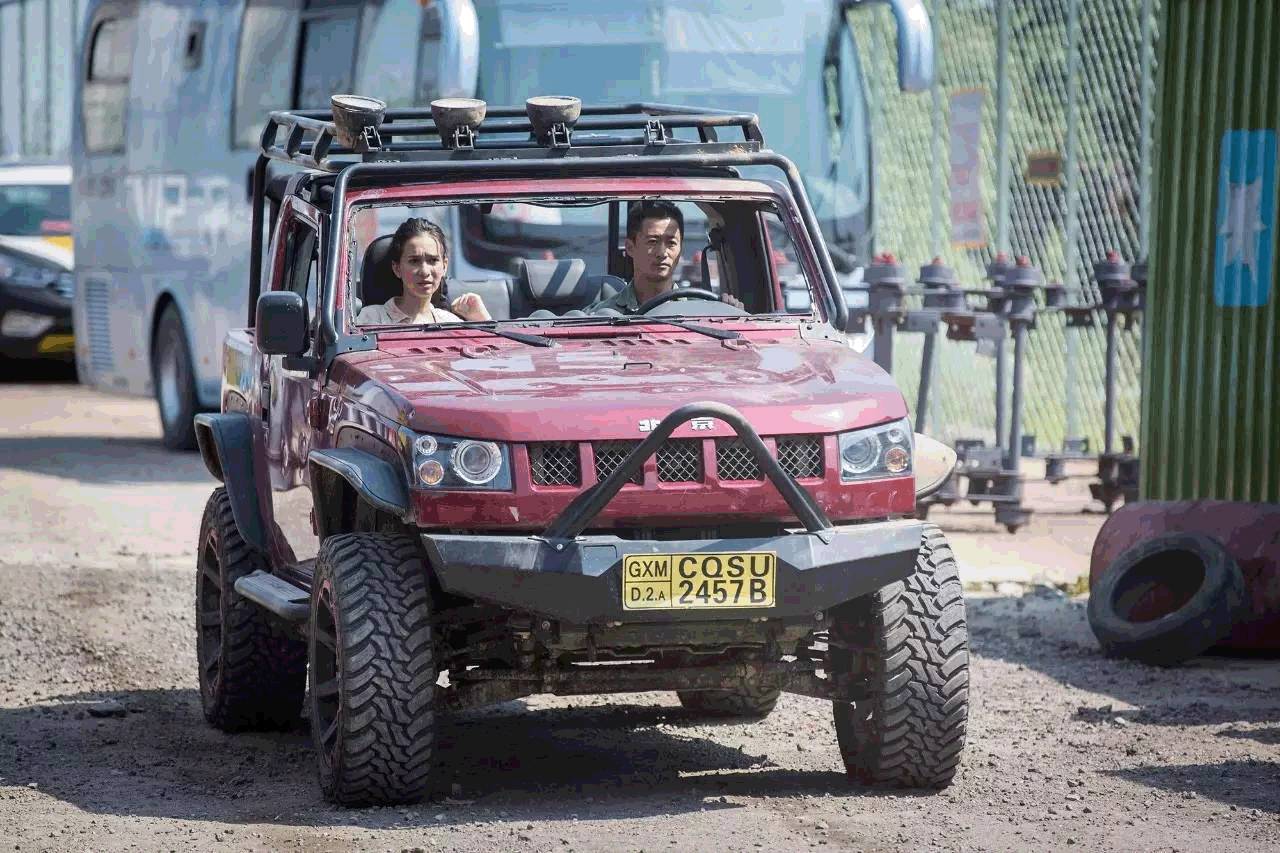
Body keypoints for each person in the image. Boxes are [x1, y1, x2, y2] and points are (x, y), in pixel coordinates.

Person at [588, 200, 742, 314]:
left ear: (680, 248)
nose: (662, 253)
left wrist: (734, 314)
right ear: (630, 247)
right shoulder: (602, 316)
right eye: (652, 241)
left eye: (671, 243)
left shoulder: (705, 312)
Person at [356, 217, 489, 325]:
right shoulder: (371, 318)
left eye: (433, 260)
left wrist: (482, 319)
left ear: (444, 266)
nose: (425, 272)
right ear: (397, 268)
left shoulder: (450, 323)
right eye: (414, 261)